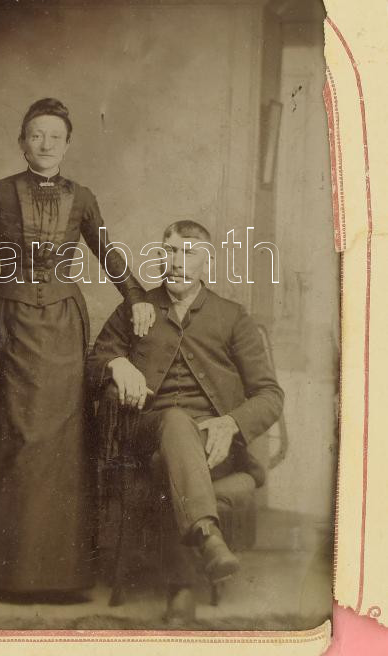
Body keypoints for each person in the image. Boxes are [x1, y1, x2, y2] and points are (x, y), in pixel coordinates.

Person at [0, 98, 155, 601]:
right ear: (22, 143)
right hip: (4, 326)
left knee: (58, 446)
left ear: (67, 144)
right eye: (36, 135)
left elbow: (107, 251)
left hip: (62, 330)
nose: (46, 144)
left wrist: (137, 295)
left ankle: (57, 578)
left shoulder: (83, 197)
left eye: (55, 136)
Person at [87, 219, 284, 622]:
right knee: (175, 421)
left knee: (172, 464)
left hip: (212, 445)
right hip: (145, 436)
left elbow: (269, 395)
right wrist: (117, 365)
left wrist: (231, 423)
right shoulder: (136, 309)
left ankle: (182, 584)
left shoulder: (232, 317)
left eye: (188, 253)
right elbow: (94, 364)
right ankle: (206, 541)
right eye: (169, 251)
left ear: (207, 262)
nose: (176, 262)